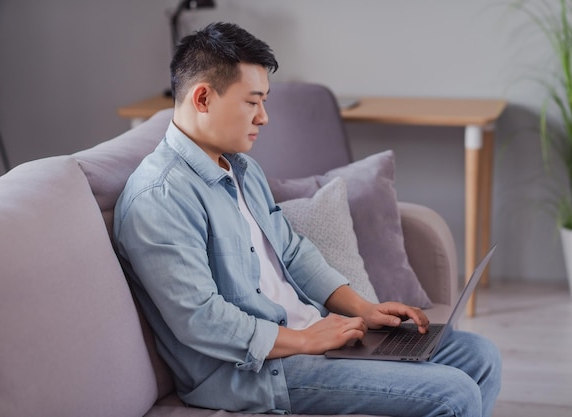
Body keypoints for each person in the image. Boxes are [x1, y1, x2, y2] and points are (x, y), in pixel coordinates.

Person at [114, 21, 501, 417]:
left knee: (479, 356)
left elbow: (293, 251)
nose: (263, 117)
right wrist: (306, 340)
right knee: (454, 395)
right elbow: (199, 320)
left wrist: (363, 309)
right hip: (257, 370)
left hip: (310, 336)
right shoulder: (159, 198)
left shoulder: (242, 169)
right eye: (252, 102)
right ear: (202, 99)